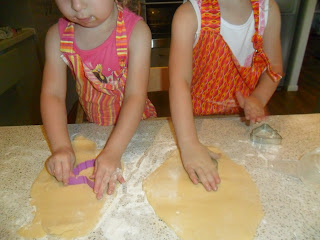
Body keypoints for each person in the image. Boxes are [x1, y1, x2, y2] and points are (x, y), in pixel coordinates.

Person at [41, 0, 157, 200]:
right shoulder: (57, 37)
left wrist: (113, 152)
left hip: (139, 128)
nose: (77, 5)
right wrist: (61, 146)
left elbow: (135, 96)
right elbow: (53, 95)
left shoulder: (136, 32)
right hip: (94, 127)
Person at [169, 0, 283, 192]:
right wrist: (189, 144)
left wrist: (258, 99)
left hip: (243, 120)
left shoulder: (267, 11)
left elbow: (274, 68)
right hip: (195, 119)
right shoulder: (189, 16)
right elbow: (179, 82)